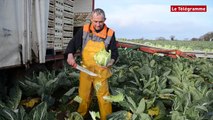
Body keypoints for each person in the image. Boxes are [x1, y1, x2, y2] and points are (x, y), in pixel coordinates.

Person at [65, 8, 118, 120]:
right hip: (86, 70)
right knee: (83, 96)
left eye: (101, 22)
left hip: (101, 72)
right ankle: (80, 115)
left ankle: (106, 117)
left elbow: (114, 53)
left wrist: (110, 62)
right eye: (95, 21)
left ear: (105, 20)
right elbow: (73, 43)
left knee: (104, 98)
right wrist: (70, 54)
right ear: (91, 20)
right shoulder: (84, 30)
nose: (98, 24)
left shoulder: (110, 33)